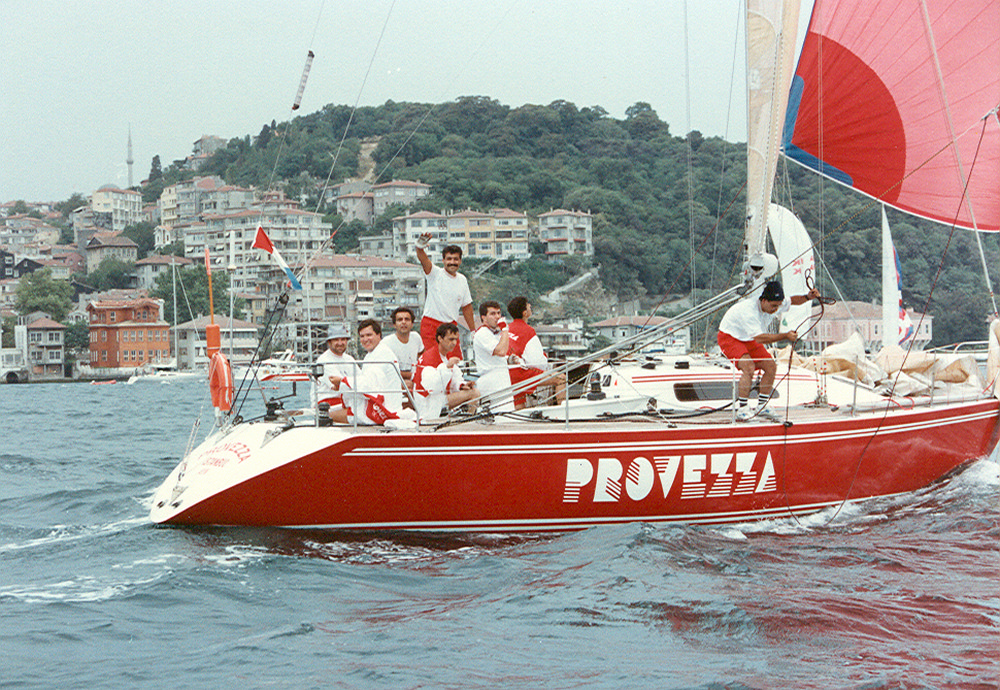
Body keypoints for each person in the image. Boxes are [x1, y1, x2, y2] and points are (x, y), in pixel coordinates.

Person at [717, 279, 820, 420]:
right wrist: (785, 335)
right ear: (764, 300)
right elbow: (760, 338)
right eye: (773, 306)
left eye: (778, 306)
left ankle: (762, 406)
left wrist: (808, 297)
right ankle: (742, 409)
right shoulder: (749, 311)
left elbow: (793, 301)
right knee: (748, 367)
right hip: (730, 336)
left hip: (748, 337)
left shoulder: (775, 303)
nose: (776, 309)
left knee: (770, 366)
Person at [415, 233, 475, 359]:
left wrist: (473, 331)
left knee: (456, 362)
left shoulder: (462, 280)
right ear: (443, 261)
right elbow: (423, 259)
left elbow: (467, 307)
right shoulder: (435, 273)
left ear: (460, 261)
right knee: (433, 361)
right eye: (449, 259)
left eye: (455, 259)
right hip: (431, 325)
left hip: (451, 327)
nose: (452, 262)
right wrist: (419, 246)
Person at [506, 296, 567, 409]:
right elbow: (538, 363)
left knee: (520, 405)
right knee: (561, 378)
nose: (530, 306)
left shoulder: (507, 328)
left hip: (507, 373)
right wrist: (544, 358)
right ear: (525, 313)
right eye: (528, 305)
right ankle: (563, 412)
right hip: (520, 374)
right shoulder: (528, 331)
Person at [412, 322, 478, 420]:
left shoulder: (443, 356)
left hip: (437, 399)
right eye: (451, 339)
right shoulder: (430, 358)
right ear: (440, 339)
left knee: (473, 391)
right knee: (474, 393)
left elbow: (453, 379)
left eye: (455, 339)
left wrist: (462, 386)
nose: (454, 343)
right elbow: (432, 388)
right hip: (429, 403)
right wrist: (447, 368)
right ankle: (467, 421)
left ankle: (467, 419)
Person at [471, 300, 515, 404]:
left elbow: (498, 356)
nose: (497, 317)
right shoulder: (482, 333)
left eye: (498, 313)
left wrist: (509, 359)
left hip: (501, 378)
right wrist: (505, 329)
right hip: (492, 380)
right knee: (501, 410)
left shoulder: (492, 334)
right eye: (493, 314)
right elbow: (501, 351)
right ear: (483, 317)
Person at [314, 323, 358, 408]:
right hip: (327, 403)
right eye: (336, 340)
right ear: (329, 342)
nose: (340, 343)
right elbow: (338, 386)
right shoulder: (324, 360)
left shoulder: (350, 359)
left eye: (343, 339)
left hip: (347, 400)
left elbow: (360, 379)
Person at [382, 306, 421, 390]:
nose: (403, 322)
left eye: (407, 319)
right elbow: (384, 369)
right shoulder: (386, 342)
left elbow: (423, 357)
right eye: (400, 320)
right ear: (394, 325)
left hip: (415, 382)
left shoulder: (416, 337)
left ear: (412, 324)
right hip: (393, 383)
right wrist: (410, 376)